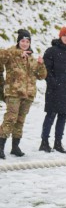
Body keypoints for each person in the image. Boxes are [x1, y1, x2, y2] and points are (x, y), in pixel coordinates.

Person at [0, 29, 47, 159]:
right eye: (22, 41)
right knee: (10, 118)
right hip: (13, 93)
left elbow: (42, 76)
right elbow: (1, 55)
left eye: (27, 41)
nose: (25, 43)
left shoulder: (31, 58)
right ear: (18, 41)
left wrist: (41, 65)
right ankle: (1, 146)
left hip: (28, 95)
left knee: (20, 121)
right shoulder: (11, 54)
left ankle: (15, 147)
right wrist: (18, 53)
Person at [39, 26, 66, 154]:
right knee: (51, 115)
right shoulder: (51, 51)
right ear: (60, 36)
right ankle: (44, 142)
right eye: (64, 35)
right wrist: (53, 83)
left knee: (63, 116)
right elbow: (46, 70)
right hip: (55, 90)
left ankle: (58, 142)